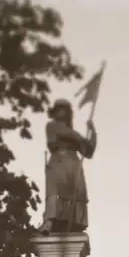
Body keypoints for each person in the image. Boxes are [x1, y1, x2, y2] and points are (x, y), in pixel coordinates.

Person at [37, 98, 97, 235]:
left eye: (64, 110)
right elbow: (64, 135)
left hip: (73, 163)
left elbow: (88, 152)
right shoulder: (52, 126)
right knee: (55, 192)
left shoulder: (73, 135)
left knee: (76, 191)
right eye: (59, 110)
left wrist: (92, 132)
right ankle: (50, 221)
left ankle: (75, 221)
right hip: (58, 162)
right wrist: (81, 140)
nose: (61, 112)